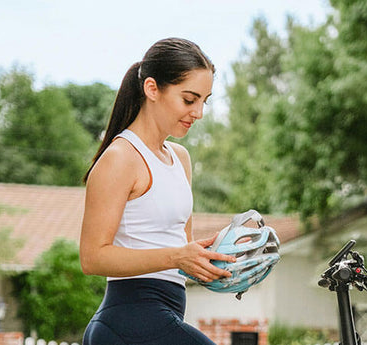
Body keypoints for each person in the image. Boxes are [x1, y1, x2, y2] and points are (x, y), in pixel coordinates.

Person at [80, 37, 236, 345]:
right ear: (152, 89)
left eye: (205, 101)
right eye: (189, 99)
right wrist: (178, 256)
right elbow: (92, 257)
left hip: (163, 316)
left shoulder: (180, 158)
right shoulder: (120, 158)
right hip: (127, 322)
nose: (199, 112)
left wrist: (210, 261)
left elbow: (180, 248)